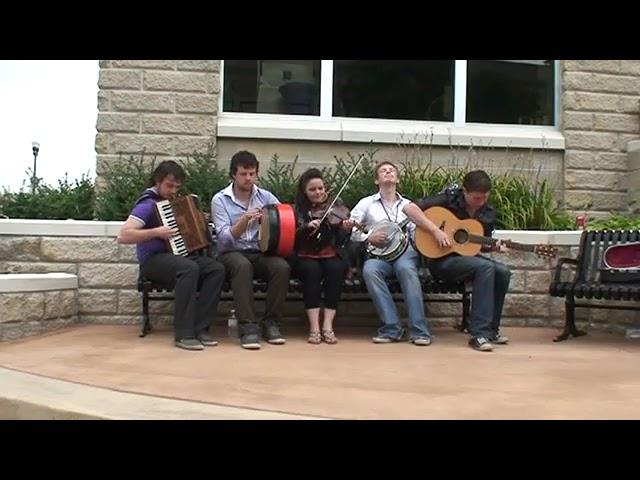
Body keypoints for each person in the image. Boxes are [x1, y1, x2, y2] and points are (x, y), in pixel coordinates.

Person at [117, 160, 226, 351]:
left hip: (175, 257)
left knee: (215, 268)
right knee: (188, 268)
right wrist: (156, 232)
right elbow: (123, 235)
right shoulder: (148, 204)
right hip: (153, 261)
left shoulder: (174, 203)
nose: (173, 191)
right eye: (169, 185)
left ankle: (201, 328)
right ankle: (184, 334)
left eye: (177, 187)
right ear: (157, 181)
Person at [403, 169, 511, 352]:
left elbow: (475, 244)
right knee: (485, 267)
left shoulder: (487, 212)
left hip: (467, 260)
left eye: (484, 197)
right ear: (465, 192)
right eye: (476, 198)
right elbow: (409, 208)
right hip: (441, 261)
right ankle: (478, 334)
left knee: (503, 272)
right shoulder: (449, 199)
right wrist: (435, 231)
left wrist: (494, 247)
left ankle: (492, 330)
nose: (481, 202)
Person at [211, 150, 290, 350]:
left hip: (259, 251)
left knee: (281, 267)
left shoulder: (266, 197)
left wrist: (270, 222)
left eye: (252, 174)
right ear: (233, 175)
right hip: (231, 254)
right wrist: (244, 221)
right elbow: (224, 241)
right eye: (243, 174)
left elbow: (284, 221)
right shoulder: (220, 199)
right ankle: (248, 327)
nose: (248, 178)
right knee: (242, 266)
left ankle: (271, 323)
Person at [349, 161, 433, 346]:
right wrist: (368, 238)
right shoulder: (366, 203)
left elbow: (416, 231)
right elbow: (352, 230)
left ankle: (420, 331)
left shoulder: (409, 205)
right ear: (376, 180)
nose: (388, 172)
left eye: (391, 170)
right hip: (378, 255)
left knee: (406, 270)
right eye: (383, 171)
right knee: (370, 271)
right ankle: (391, 328)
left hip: (405, 253)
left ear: (397, 179)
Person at [291, 169, 354, 344]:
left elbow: (341, 240)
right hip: (305, 254)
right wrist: (305, 228)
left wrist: (344, 229)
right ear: (304, 192)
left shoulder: (336, 207)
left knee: (336, 268)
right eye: (313, 190)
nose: (318, 193)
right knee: (311, 270)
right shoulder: (298, 211)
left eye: (321, 188)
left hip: (330, 252)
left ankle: (327, 324)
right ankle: (314, 327)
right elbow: (293, 238)